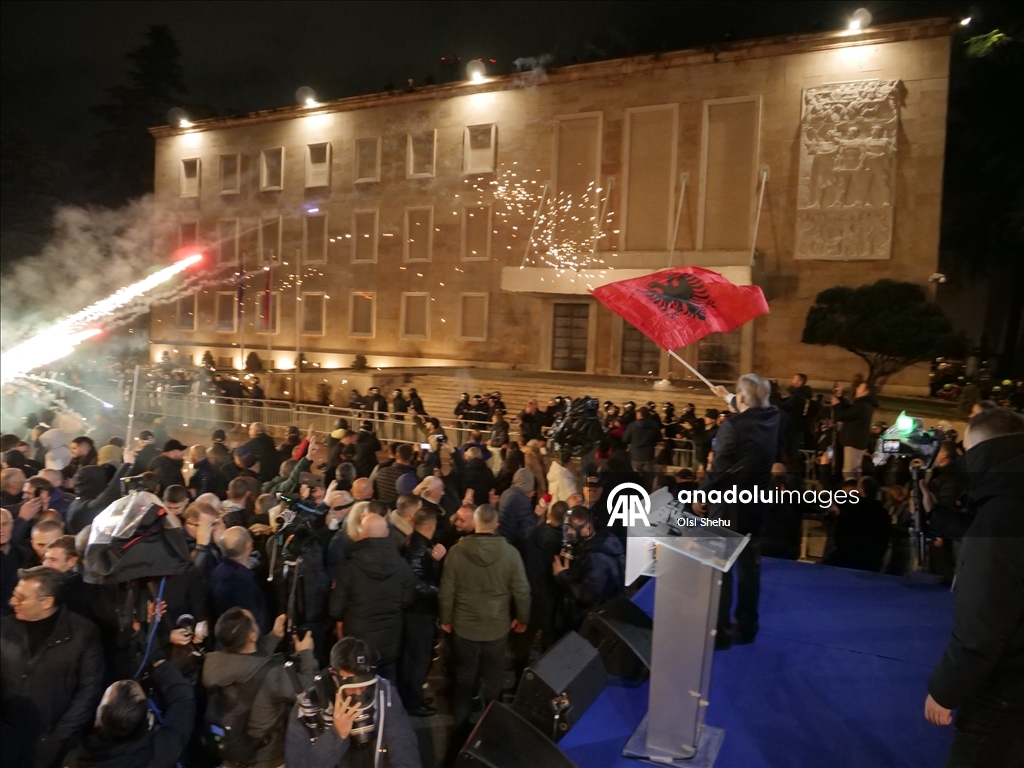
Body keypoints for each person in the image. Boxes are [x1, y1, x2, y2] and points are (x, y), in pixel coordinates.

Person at [925, 408, 1024, 767]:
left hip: (1006, 687)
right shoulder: (1006, 502)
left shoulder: (1003, 512)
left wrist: (946, 689)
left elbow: (985, 620)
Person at [701, 374, 781, 649]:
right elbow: (750, 407)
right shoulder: (772, 416)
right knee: (749, 569)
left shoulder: (732, 427)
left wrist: (700, 495)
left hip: (728, 508)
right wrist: (725, 395)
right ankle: (747, 627)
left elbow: (718, 469)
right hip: (755, 507)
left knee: (721, 571)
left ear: (744, 398)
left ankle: (720, 632)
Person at [1, 566, 103, 768]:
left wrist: (59, 736)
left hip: (54, 746)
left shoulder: (82, 634)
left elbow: (89, 692)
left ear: (46, 602)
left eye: (21, 598)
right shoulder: (4, 629)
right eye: (14, 595)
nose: (13, 602)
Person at [439, 504, 530, 726]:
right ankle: (492, 723)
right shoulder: (510, 553)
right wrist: (523, 618)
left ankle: (460, 723)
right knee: (494, 676)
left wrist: (446, 619)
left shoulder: (457, 552)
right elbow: (522, 590)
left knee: (464, 675)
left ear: (476, 524)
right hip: (497, 626)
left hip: (464, 626)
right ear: (496, 525)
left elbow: (447, 591)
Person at [202, 608, 317, 768]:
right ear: (252, 637)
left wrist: (274, 637)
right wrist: (306, 653)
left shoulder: (213, 666)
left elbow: (248, 662)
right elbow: (309, 689)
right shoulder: (274, 675)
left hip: (231, 757)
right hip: (267, 760)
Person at [284, 637, 420, 768]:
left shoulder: (385, 693)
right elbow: (297, 764)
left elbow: (404, 745)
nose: (359, 693)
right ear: (334, 676)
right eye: (351, 686)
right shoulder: (308, 705)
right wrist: (336, 734)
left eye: (365, 684)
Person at [62, 655, 193, 768]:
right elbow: (183, 700)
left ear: (97, 721)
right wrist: (159, 661)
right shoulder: (163, 751)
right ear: (148, 718)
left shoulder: (75, 761)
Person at [331, 515, 415, 681]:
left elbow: (334, 609)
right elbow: (408, 600)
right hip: (390, 640)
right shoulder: (402, 565)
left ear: (362, 535)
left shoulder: (350, 568)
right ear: (386, 534)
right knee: (388, 688)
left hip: (359, 645)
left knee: (361, 690)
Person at [400, 507, 445, 715]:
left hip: (416, 611)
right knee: (418, 658)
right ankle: (412, 702)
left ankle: (414, 696)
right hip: (419, 613)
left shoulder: (414, 543)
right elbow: (416, 582)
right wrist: (439, 593)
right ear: (431, 526)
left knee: (416, 657)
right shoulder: (419, 548)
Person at [552, 505, 624, 631]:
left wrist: (562, 575)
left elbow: (589, 596)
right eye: (566, 527)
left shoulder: (597, 559)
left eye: (572, 528)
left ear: (588, 528)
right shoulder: (592, 545)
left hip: (585, 622)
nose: (568, 532)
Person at [210, 526, 268, 632]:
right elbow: (257, 618)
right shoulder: (246, 581)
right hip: (244, 640)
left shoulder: (216, 572)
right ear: (249, 546)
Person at [831, 381, 877, 480]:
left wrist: (836, 405)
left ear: (866, 392)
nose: (856, 389)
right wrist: (839, 396)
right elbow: (848, 410)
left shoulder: (863, 405)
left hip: (854, 443)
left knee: (850, 472)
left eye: (860, 388)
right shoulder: (862, 405)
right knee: (852, 471)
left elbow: (844, 415)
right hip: (854, 443)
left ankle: (851, 493)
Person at [497, 468, 536, 548]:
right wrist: (536, 516)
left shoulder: (506, 492)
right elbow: (526, 532)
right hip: (512, 544)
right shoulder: (521, 500)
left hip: (502, 538)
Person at [623, 407, 662, 477]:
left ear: (640, 414)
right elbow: (659, 438)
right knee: (648, 478)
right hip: (649, 455)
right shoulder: (654, 425)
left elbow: (625, 439)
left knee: (635, 478)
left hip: (635, 455)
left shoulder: (632, 425)